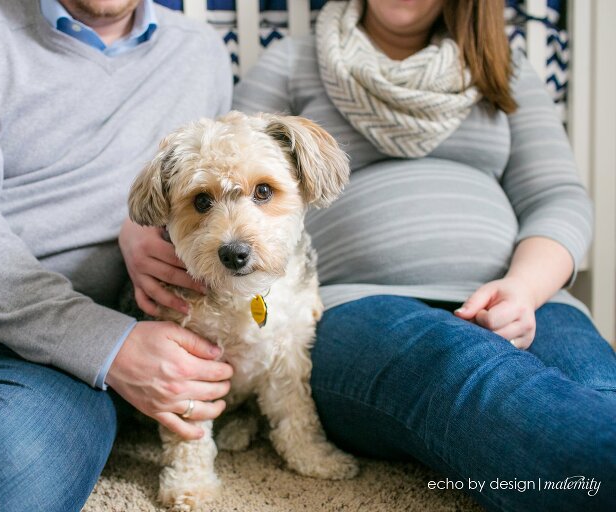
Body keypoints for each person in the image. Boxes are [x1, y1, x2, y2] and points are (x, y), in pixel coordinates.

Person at [124, 0, 616, 510]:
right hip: (365, 302)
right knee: (470, 373)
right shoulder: (292, 60)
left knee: (596, 386)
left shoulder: (504, 66)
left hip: (522, 293)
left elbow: (558, 196)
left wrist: (525, 288)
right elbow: (221, 155)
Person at [0, 0, 234, 510]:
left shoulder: (201, 52)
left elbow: (210, 190)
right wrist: (109, 345)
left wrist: (144, 225)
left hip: (56, 353)